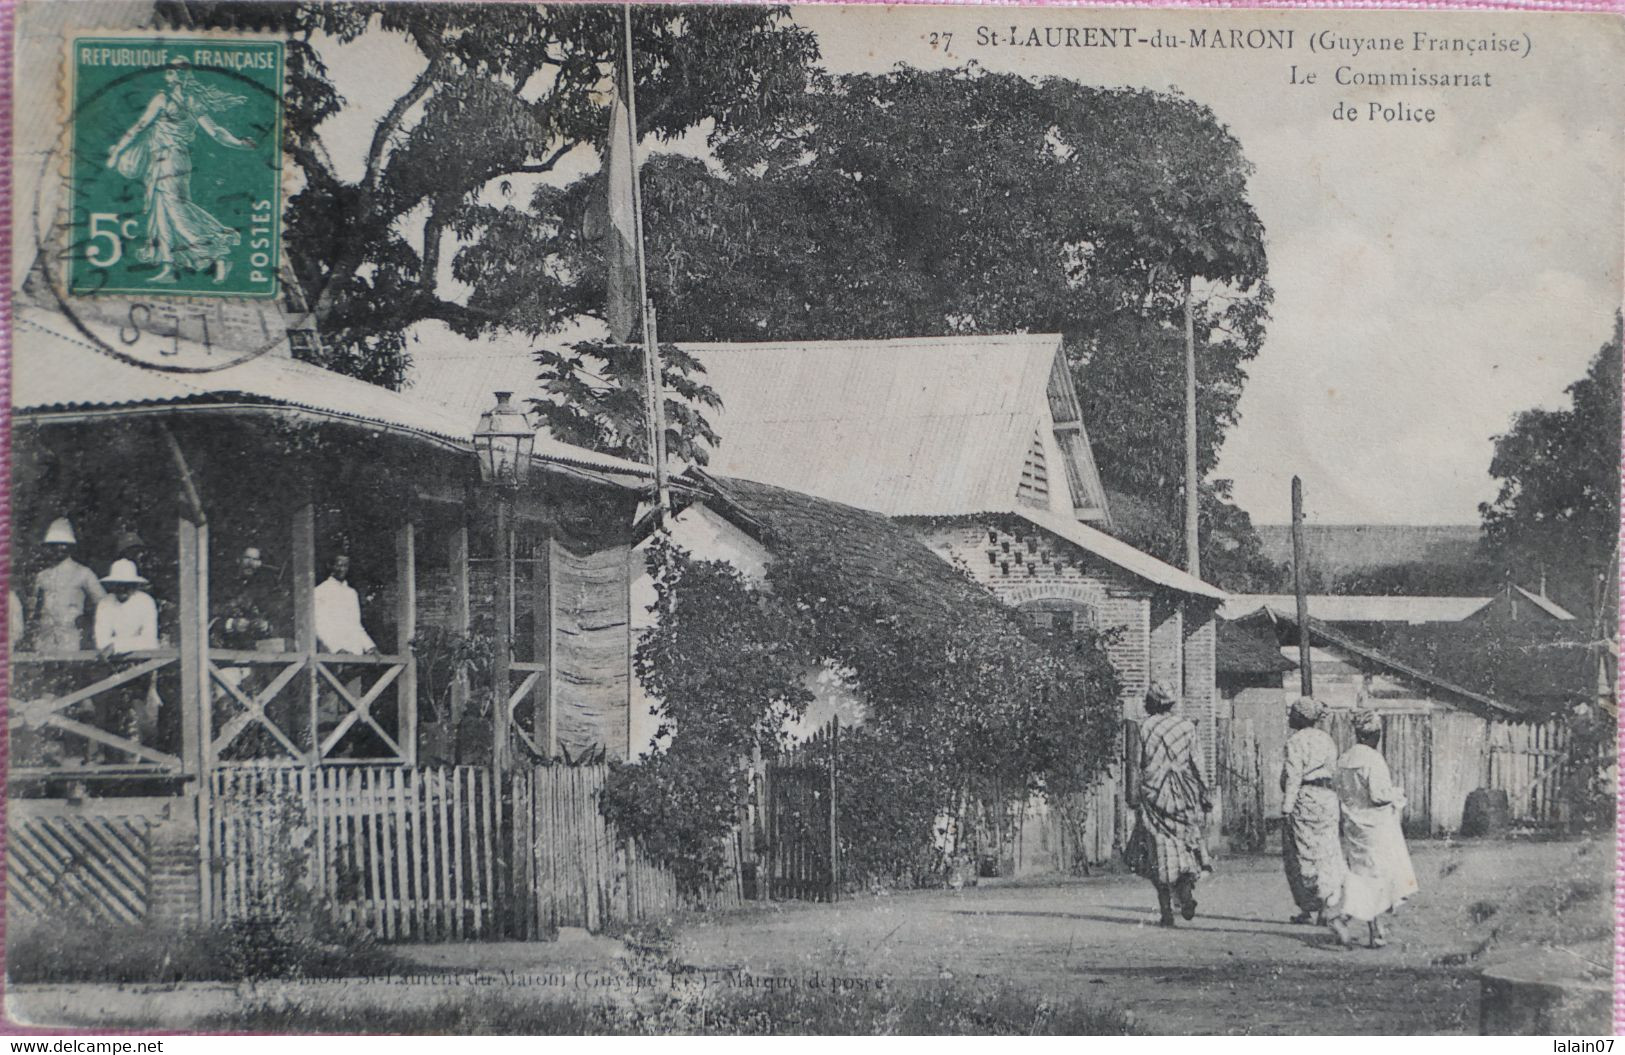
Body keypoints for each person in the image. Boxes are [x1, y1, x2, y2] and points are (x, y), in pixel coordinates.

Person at [104, 58, 258, 285]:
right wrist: (239, 143)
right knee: (161, 213)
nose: (172, 75)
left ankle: (219, 255)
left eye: (176, 72)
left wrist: (238, 143)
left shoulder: (174, 100)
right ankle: (168, 267)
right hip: (164, 160)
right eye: (171, 71)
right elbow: (214, 132)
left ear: (182, 76)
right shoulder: (179, 100)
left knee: (176, 211)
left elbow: (213, 131)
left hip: (172, 160)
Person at [1329, 710, 1419, 948]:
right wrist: (1397, 794)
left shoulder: (1345, 759)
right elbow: (1379, 796)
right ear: (1376, 734)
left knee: (1364, 875)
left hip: (1354, 826)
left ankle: (1375, 930)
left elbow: (1342, 792)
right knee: (1379, 877)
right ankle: (1343, 919)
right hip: (1376, 827)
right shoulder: (1373, 759)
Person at [1125, 685, 1213, 926]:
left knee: (1158, 852)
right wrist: (1205, 792)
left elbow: (1137, 763)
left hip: (1155, 796)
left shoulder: (1144, 728)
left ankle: (1166, 912)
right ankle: (1185, 890)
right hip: (1184, 794)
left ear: (1151, 703)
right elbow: (1198, 762)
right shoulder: (1187, 727)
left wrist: (1133, 796)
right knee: (1186, 844)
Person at [1280, 696, 1347, 927]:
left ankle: (1309, 906)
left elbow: (1293, 776)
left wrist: (1287, 807)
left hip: (1305, 798)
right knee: (1327, 850)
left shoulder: (1295, 742)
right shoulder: (1327, 740)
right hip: (1327, 798)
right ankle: (1326, 906)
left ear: (1299, 717)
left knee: (1300, 853)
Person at [91, 559, 161, 758]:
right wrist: (120, 645)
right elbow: (102, 641)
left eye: (128, 585)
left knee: (143, 717)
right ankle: (112, 767)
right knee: (109, 717)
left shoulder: (146, 602)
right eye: (118, 584)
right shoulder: (105, 604)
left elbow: (149, 640)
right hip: (113, 667)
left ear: (135, 586)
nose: (122, 589)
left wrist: (119, 645)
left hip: (141, 666)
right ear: (111, 585)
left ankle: (146, 765)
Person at [32, 518, 105, 651]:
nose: (59, 548)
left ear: (70, 546)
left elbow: (103, 602)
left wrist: (86, 621)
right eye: (54, 545)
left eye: (63, 544)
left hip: (71, 637)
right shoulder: (42, 576)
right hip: (45, 639)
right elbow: (35, 609)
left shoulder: (83, 572)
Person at [214, 545, 284, 650]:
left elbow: (277, 615)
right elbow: (212, 613)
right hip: (225, 646)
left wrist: (265, 625)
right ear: (238, 560)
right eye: (247, 558)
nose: (251, 563)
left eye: (255, 559)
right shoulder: (223, 584)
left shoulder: (264, 587)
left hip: (256, 647)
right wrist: (231, 624)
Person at [315, 555, 377, 655]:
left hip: (354, 653)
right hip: (331, 654)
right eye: (339, 565)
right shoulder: (320, 591)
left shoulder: (351, 593)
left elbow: (356, 625)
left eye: (346, 566)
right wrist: (336, 649)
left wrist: (370, 647)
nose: (342, 569)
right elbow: (319, 626)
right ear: (330, 566)